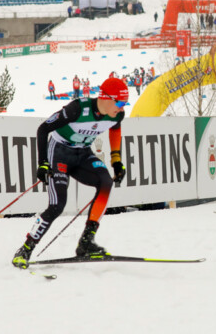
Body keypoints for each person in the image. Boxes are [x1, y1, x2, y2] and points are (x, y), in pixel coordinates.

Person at [12, 77, 129, 269]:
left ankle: (86, 242)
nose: (122, 108)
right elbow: (43, 129)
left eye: (124, 103)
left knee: (106, 182)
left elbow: (115, 130)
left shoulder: (116, 115)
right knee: (57, 205)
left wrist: (116, 160)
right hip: (60, 153)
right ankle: (25, 249)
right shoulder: (77, 109)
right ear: (106, 98)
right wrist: (43, 163)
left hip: (82, 154)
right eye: (120, 103)